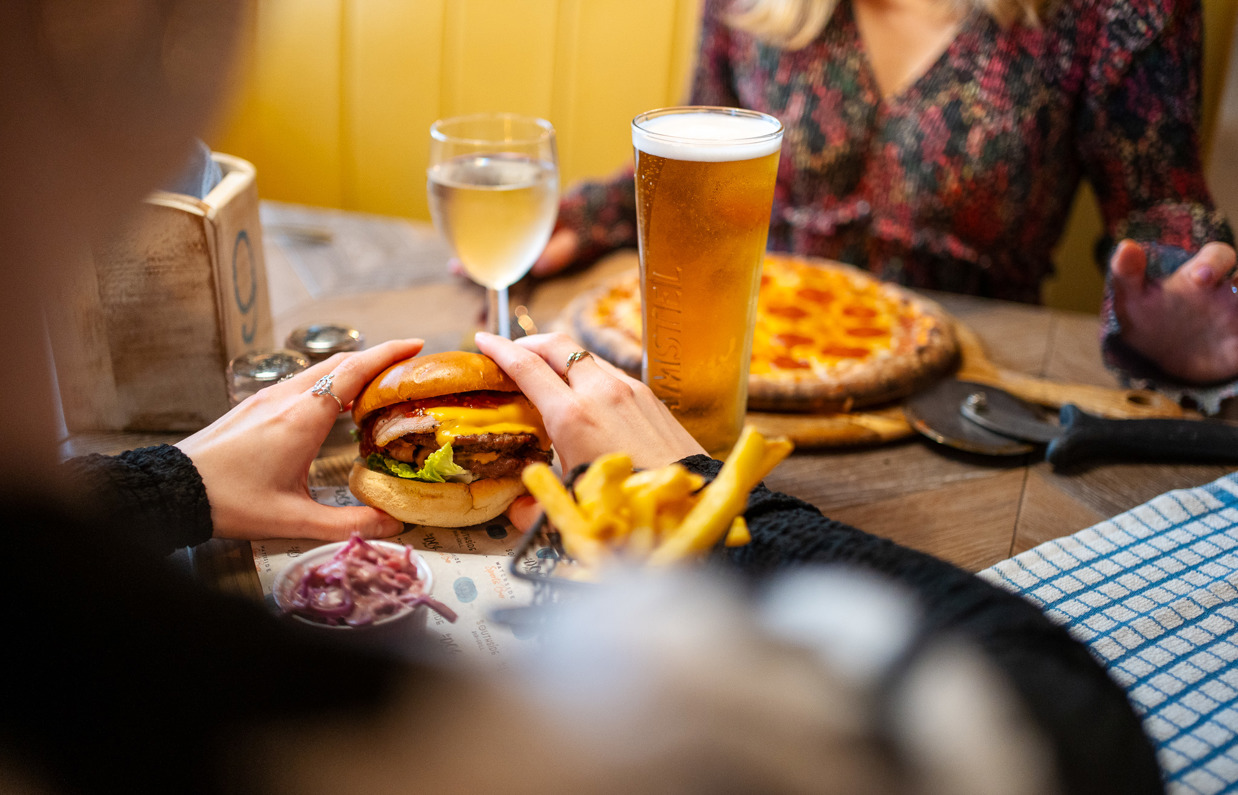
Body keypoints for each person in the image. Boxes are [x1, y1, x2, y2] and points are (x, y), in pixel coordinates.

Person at [0, 1, 1160, 793]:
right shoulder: (585, 743)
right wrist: (703, 504)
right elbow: (1070, 735)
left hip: (917, 350)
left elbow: (1164, 217)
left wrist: (163, 486)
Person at [533, 0, 1238, 406]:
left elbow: (1162, 203)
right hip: (742, 371)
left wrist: (1181, 289)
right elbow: (699, 165)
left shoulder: (1122, 9)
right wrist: (576, 216)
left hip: (973, 395)